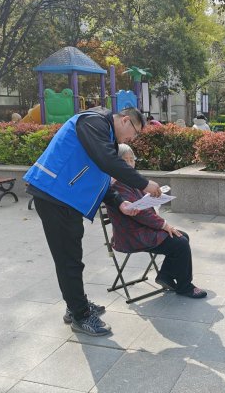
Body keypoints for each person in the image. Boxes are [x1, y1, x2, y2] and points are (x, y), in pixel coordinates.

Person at [24, 107, 163, 337]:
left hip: (64, 198)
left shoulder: (105, 134)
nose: (133, 139)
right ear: (125, 120)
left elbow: (100, 176)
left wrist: (120, 202)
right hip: (54, 195)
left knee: (71, 257)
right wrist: (144, 183)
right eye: (135, 132)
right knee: (69, 259)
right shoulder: (93, 122)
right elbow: (106, 162)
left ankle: (75, 304)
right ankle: (80, 316)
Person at [105, 144, 207, 298]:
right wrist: (164, 225)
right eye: (125, 160)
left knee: (182, 237)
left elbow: (142, 206)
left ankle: (165, 275)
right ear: (117, 163)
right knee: (180, 243)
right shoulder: (117, 183)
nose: (130, 164)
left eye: (132, 159)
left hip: (140, 228)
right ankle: (185, 287)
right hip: (131, 235)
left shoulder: (130, 180)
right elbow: (140, 213)